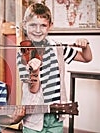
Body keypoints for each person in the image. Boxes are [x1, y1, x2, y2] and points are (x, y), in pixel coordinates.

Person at [17, 3, 92, 133]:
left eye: (43, 25)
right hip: (34, 116)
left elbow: (86, 58)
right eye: (33, 25)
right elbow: (33, 89)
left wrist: (85, 46)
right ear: (24, 25)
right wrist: (34, 72)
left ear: (50, 26)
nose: (38, 30)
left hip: (56, 115)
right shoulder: (23, 54)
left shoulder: (57, 48)